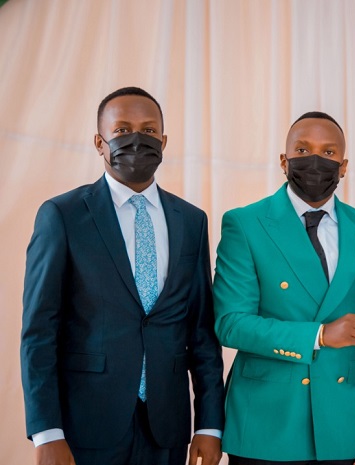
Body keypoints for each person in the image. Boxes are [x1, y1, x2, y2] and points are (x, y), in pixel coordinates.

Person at [21, 87, 226, 465]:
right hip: (85, 424)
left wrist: (209, 425)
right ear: (99, 143)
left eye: (148, 131)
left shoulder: (191, 221)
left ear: (163, 141)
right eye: (122, 130)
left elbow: (201, 332)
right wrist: (46, 431)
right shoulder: (62, 216)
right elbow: (39, 332)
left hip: (167, 427)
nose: (136, 139)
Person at [213, 111, 355, 465]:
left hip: (346, 428)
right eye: (302, 150)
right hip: (266, 427)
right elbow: (231, 323)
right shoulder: (245, 223)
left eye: (328, 152)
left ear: (343, 166)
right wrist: (320, 335)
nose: (315, 160)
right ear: (283, 161)